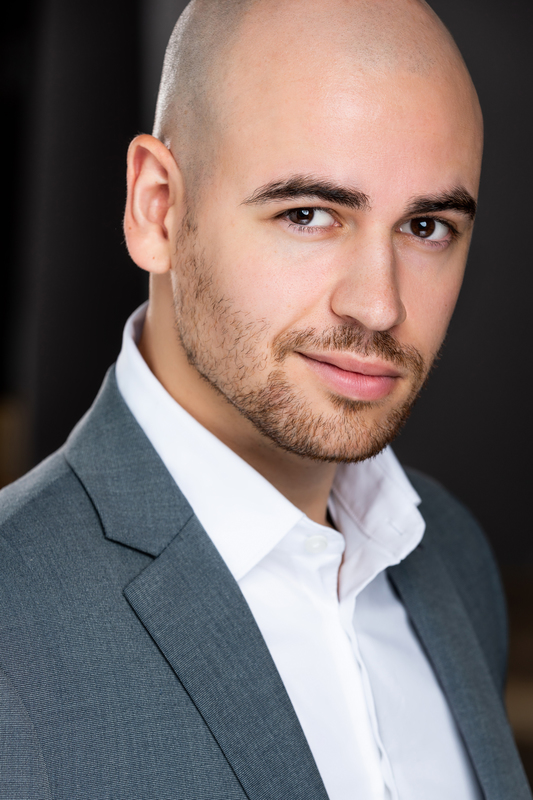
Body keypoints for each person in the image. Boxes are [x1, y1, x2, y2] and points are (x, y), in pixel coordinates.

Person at [0, 0, 529, 797]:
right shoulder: (13, 623)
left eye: (425, 227)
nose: (378, 306)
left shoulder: (451, 557)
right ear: (157, 208)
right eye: (308, 215)